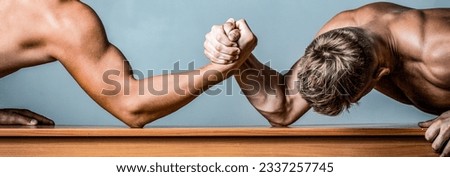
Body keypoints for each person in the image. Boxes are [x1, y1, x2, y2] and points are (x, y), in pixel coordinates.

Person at [204, 2, 450, 156]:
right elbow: (282, 108)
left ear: (379, 76)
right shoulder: (339, 36)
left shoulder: (440, 51)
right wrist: (236, 55)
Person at [0, 0, 257, 127]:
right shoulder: (58, 18)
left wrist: (222, 67)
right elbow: (131, 106)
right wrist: (224, 67)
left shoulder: (62, 19)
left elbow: (129, 101)